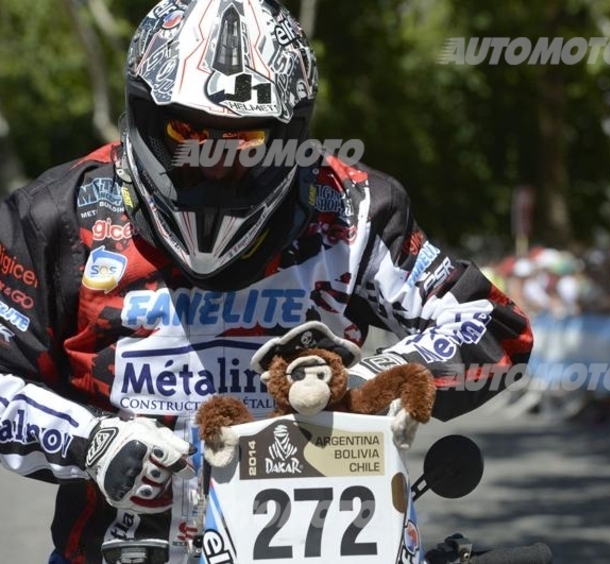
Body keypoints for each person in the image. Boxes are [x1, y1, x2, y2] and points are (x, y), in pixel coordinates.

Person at [0, 1, 533, 563]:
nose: (212, 161)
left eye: (244, 141)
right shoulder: (57, 215)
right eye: (188, 132)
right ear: (144, 112)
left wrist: (376, 381)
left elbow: (497, 326)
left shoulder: (352, 210)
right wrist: (92, 441)